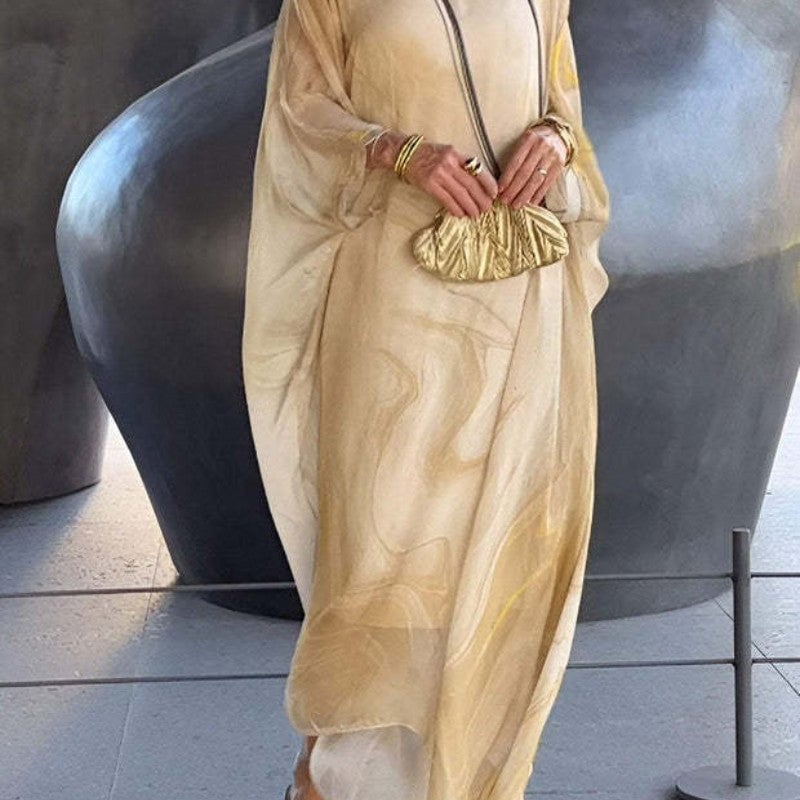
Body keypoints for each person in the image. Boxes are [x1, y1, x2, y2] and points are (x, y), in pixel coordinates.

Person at [241, 0, 611, 799]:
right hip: (393, 307)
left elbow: (564, 105)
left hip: (523, 305)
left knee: (505, 543)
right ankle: (337, 782)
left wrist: (555, 140)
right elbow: (300, 113)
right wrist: (394, 150)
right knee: (380, 551)